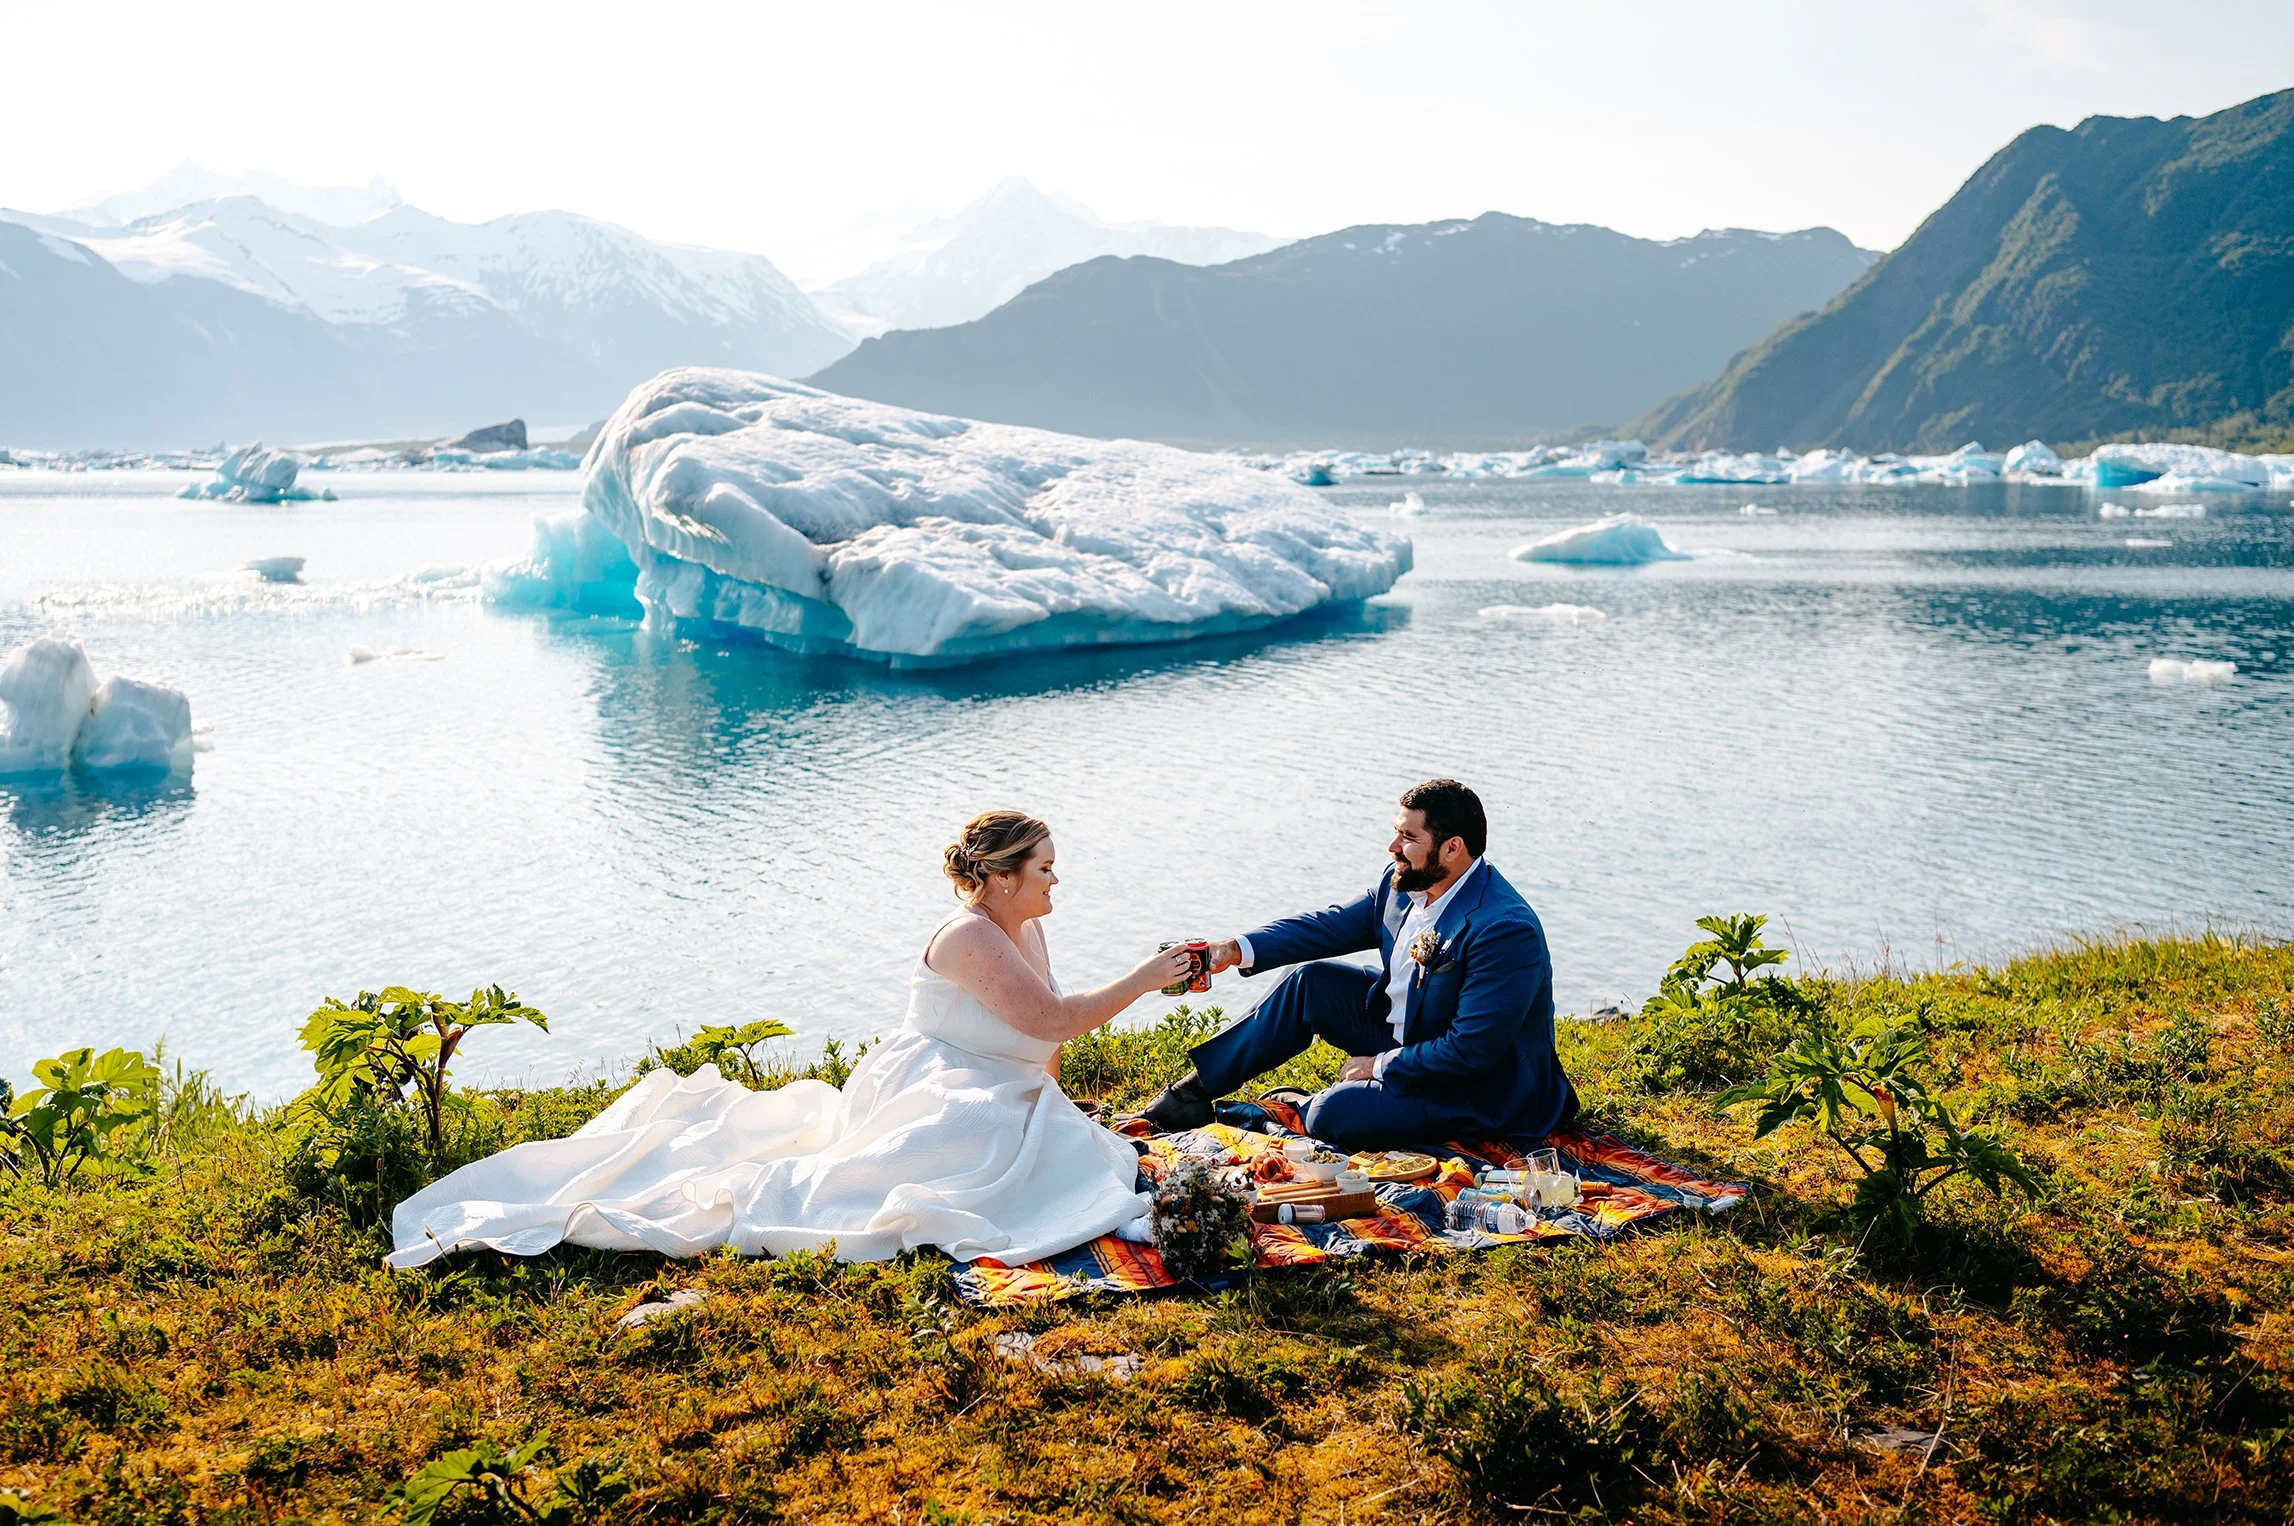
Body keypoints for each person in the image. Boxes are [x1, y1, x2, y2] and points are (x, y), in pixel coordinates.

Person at [387, 811, 1191, 1270]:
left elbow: (1042, 1035)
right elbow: (1053, 1019)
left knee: (1059, 1144)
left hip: (995, 1078)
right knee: (975, 1140)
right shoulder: (970, 936)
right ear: (1002, 876)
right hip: (940, 1078)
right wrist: (1147, 977)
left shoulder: (1024, 927)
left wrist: (1057, 1098)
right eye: (1045, 868)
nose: (1057, 881)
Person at [1142, 779, 1576, 1150]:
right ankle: (1193, 1093)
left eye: (1408, 838)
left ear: (1452, 848)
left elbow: (1471, 1052)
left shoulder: (1503, 929)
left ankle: (1287, 1114)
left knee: (1334, 1112)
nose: (1393, 848)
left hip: (1477, 1088)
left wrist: (1377, 1066)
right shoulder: (1402, 883)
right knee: (1310, 981)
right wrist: (1234, 949)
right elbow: (1326, 927)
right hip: (1409, 1032)